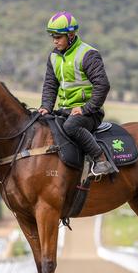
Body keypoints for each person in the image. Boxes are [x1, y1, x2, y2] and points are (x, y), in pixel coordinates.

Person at [38, 11, 117, 176]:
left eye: (58, 37)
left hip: (89, 113)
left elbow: (103, 85)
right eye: (52, 36)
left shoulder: (88, 54)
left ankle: (100, 159)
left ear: (71, 35)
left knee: (71, 126)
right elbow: (50, 85)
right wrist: (46, 107)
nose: (54, 40)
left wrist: (85, 109)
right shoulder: (53, 56)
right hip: (64, 110)